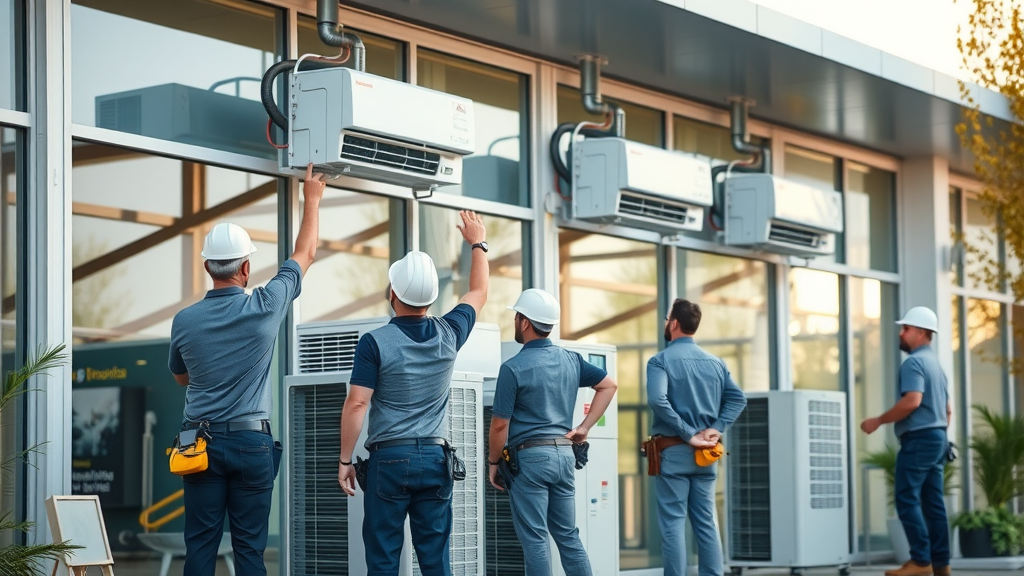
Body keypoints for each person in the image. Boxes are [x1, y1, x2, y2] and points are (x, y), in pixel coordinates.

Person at [168, 164, 325, 576]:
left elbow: (181, 377)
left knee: (200, 547)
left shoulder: (184, 321)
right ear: (245, 268)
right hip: (251, 444)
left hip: (198, 443)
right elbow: (305, 253)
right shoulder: (265, 305)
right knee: (250, 552)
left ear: (207, 268)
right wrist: (312, 199)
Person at [337, 210, 488, 576]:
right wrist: (478, 243)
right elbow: (479, 292)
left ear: (392, 292)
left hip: (389, 461)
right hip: (436, 460)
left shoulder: (374, 342)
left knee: (384, 558)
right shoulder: (450, 332)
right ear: (432, 299)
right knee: (435, 560)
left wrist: (345, 460)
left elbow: (358, 402)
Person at [487, 288, 618, 576]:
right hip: (564, 455)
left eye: (517, 316)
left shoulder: (512, 368)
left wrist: (494, 463)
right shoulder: (571, 360)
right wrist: (583, 428)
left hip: (530, 459)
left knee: (535, 539)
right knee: (568, 536)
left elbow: (499, 425)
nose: (515, 321)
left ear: (524, 322)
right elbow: (608, 386)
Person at [647, 299, 747, 576]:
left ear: (675, 323)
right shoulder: (715, 363)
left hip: (675, 452)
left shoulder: (660, 361)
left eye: (667, 319)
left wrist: (688, 434)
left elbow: (657, 400)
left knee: (673, 523)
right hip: (707, 454)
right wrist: (717, 427)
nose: (666, 323)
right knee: (706, 522)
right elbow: (738, 399)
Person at [861, 306, 951, 576]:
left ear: (921, 332)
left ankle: (920, 561)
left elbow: (912, 401)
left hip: (920, 440)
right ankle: (941, 565)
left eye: (906, 328)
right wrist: (939, 435)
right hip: (938, 438)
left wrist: (878, 420)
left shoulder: (914, 363)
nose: (901, 333)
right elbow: (947, 410)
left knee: (906, 499)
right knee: (934, 504)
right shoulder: (936, 365)